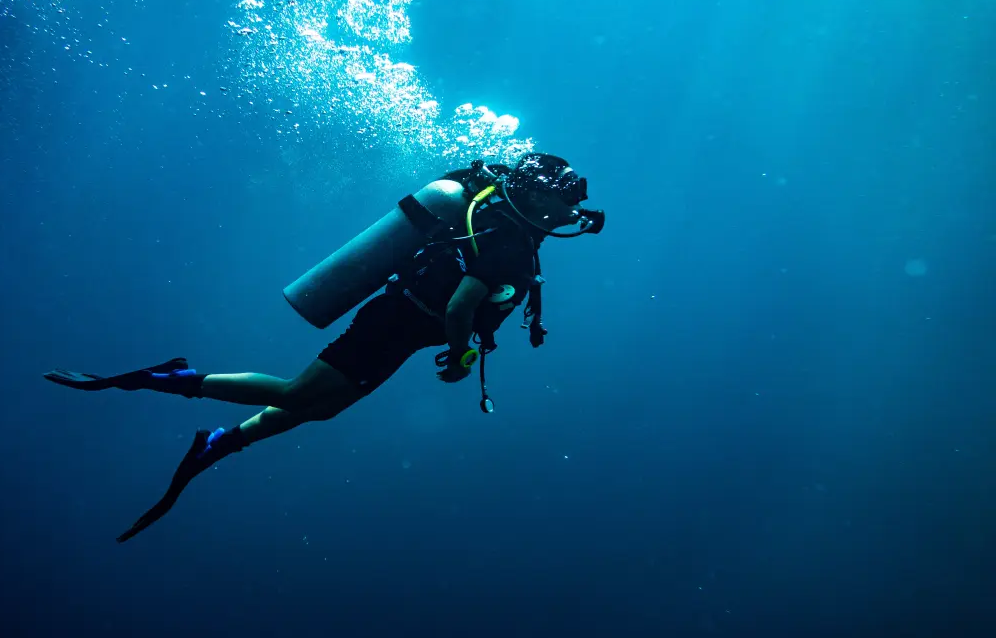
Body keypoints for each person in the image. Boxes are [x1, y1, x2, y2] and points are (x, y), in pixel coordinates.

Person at [44, 152, 604, 542]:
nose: (567, 217)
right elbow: (460, 307)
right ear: (536, 198)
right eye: (560, 205)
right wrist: (461, 359)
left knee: (323, 409)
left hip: (403, 328)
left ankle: (218, 442)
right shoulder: (508, 241)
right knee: (296, 394)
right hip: (396, 324)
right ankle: (170, 379)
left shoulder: (506, 227)